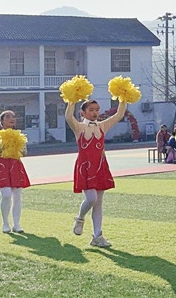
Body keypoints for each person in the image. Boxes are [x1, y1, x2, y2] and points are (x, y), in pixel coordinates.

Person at [66, 98, 126, 247]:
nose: (95, 113)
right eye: (91, 110)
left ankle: (97, 236)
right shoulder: (79, 127)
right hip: (85, 166)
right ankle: (80, 218)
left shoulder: (102, 126)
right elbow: (68, 117)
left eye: (97, 110)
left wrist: (123, 98)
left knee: (98, 203)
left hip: (100, 166)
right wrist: (71, 100)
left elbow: (119, 115)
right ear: (83, 112)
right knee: (91, 198)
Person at [0, 110, 31, 233]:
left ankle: (17, 224)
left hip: (16, 165)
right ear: (1, 121)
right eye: (8, 117)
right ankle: (5, 223)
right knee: (6, 195)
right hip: (2, 166)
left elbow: (25, 153)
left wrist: (20, 147)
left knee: (17, 196)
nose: (12, 119)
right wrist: (1, 149)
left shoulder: (19, 135)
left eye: (13, 117)